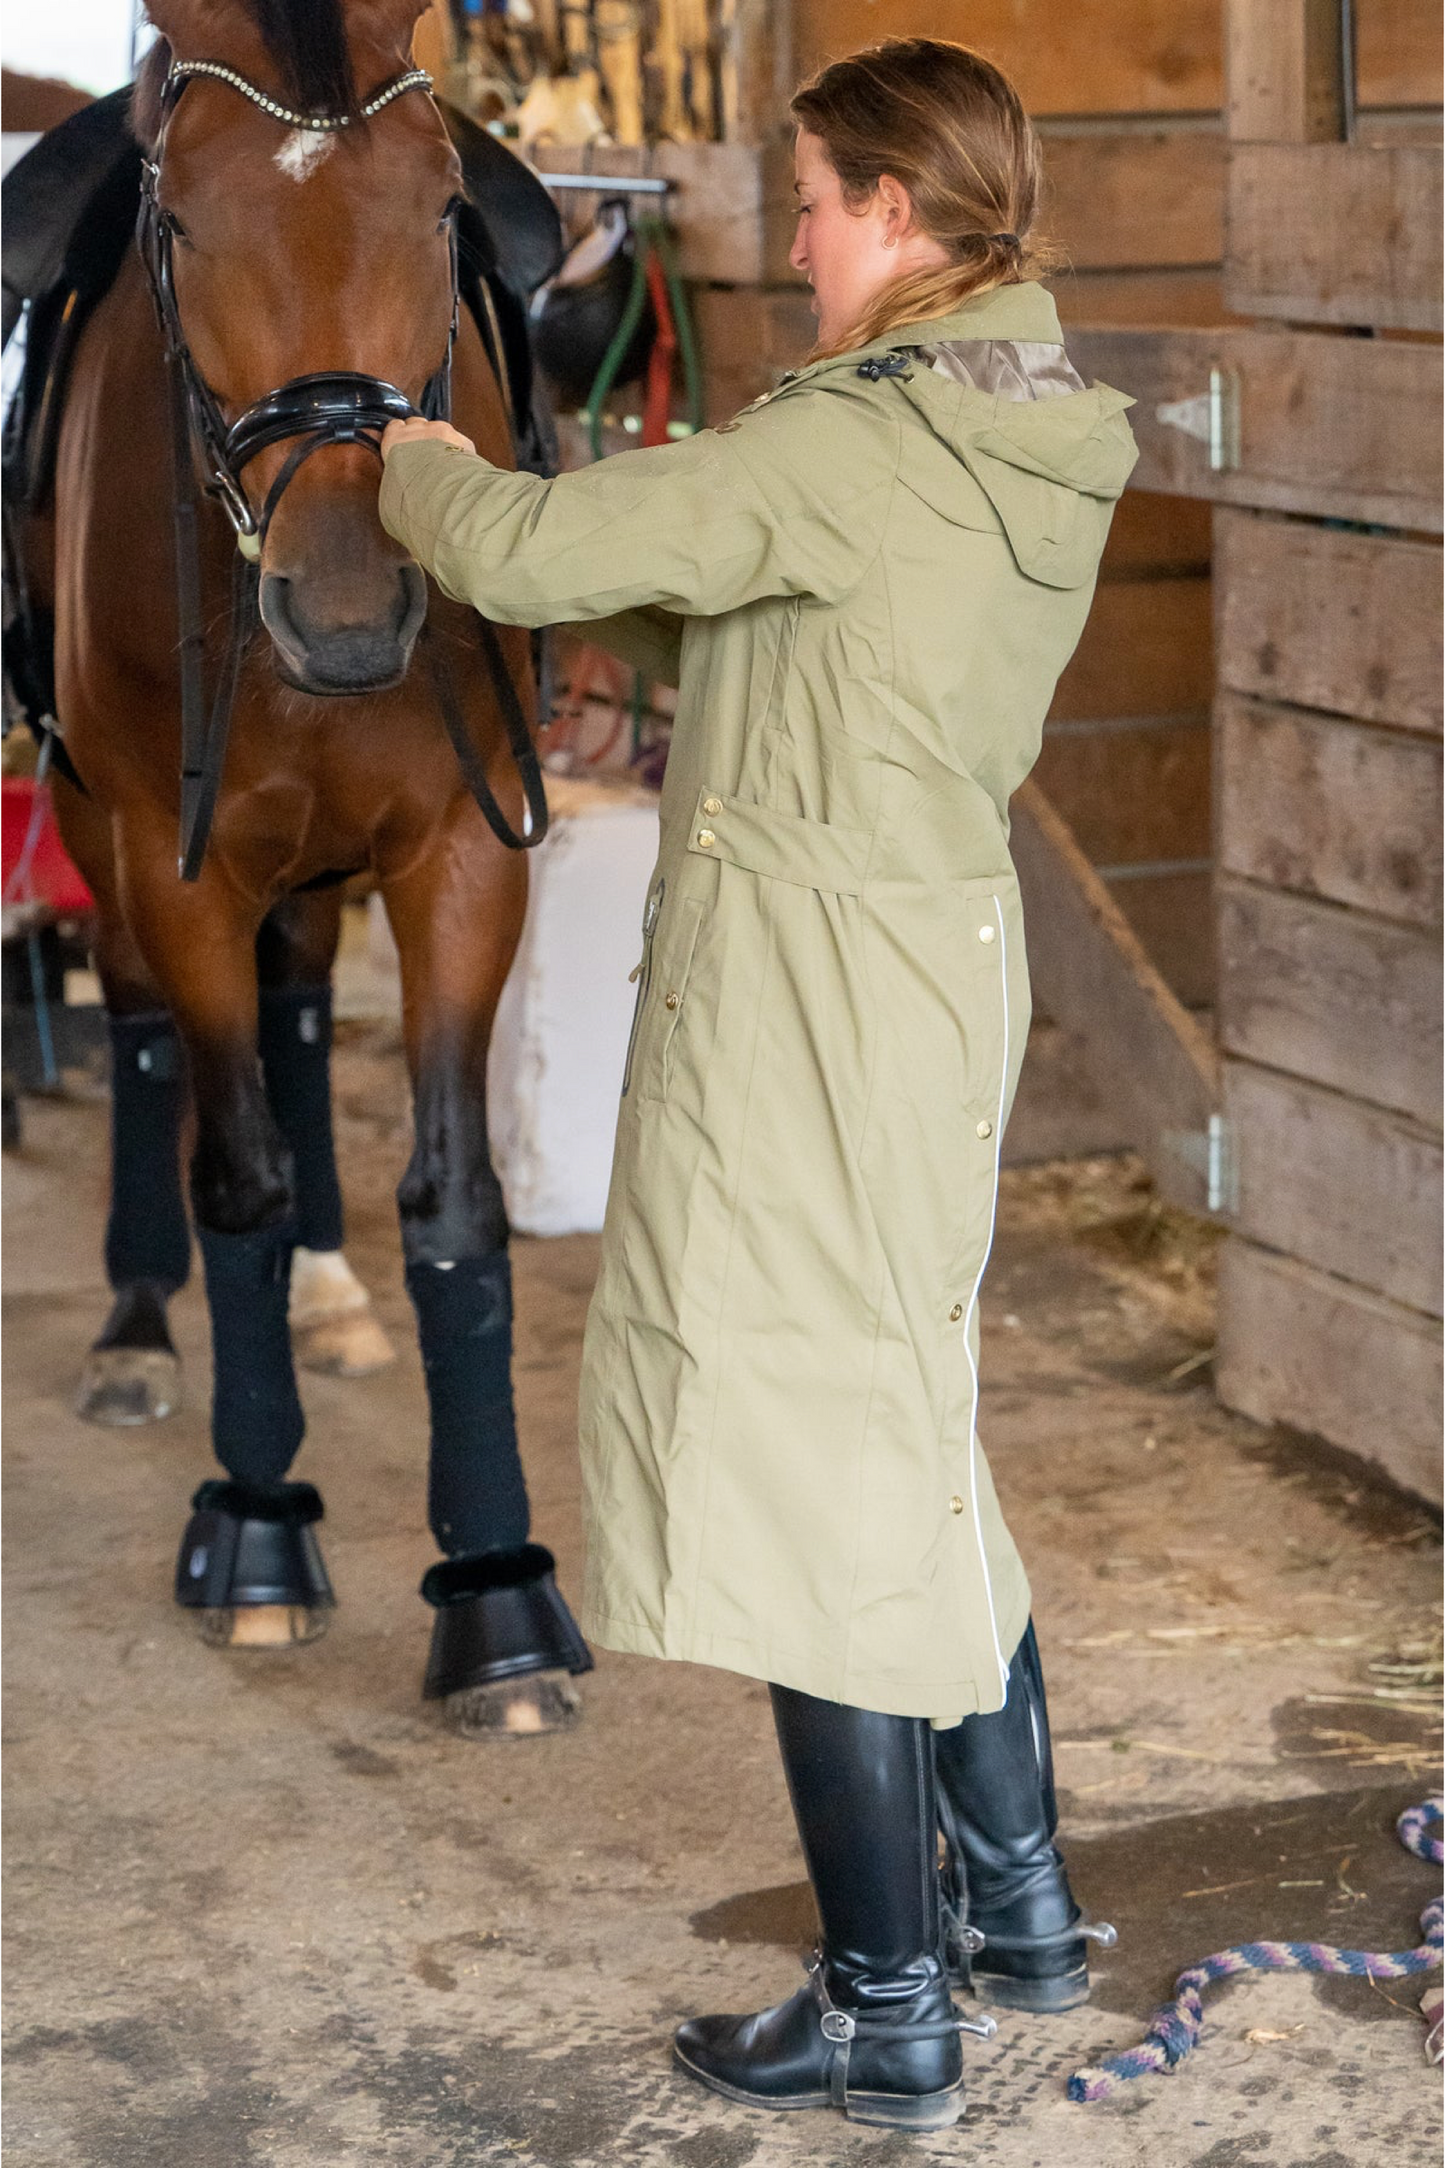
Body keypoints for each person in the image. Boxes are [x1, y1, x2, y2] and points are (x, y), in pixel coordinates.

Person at [379, 36, 1136, 2134]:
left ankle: (887, 2002)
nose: (792, 238)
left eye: (807, 200)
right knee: (899, 1430)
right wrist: (611, 590)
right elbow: (772, 606)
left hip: (815, 999)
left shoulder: (858, 443)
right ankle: (1023, 1912)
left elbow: (524, 549)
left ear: (898, 212)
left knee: (816, 1481)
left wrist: (392, 459)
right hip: (911, 972)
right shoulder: (1003, 419)